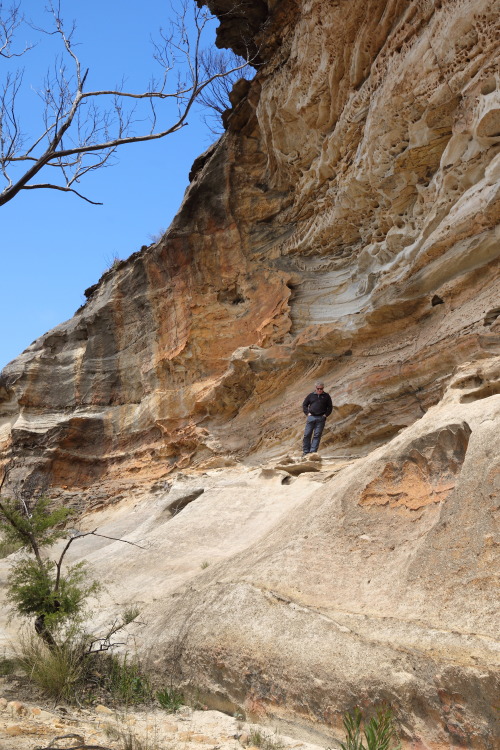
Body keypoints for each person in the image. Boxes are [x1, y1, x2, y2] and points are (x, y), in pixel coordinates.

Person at [302, 381, 333, 456]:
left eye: (321, 389)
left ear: (323, 388)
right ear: (315, 388)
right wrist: (307, 413)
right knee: (307, 434)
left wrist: (325, 415)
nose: (319, 390)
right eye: (318, 388)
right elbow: (304, 405)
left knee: (317, 435)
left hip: (321, 418)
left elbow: (330, 407)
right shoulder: (311, 395)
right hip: (311, 417)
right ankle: (306, 452)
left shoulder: (326, 396)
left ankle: (313, 452)